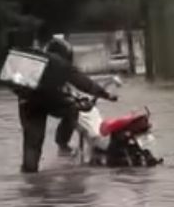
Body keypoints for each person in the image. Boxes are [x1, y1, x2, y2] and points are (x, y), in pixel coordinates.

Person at [18, 36, 115, 173]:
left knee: (32, 144)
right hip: (47, 100)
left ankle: (29, 175)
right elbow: (82, 81)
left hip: (27, 102)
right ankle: (62, 144)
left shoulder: (35, 61)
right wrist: (105, 94)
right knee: (72, 109)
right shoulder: (59, 63)